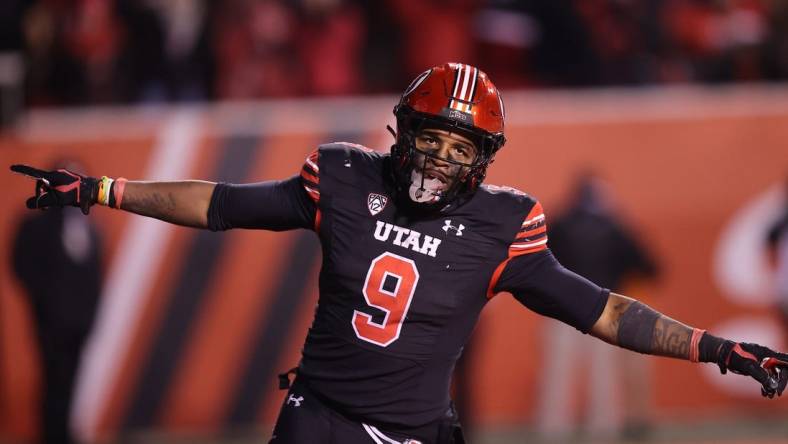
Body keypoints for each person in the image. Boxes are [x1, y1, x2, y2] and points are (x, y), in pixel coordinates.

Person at [10, 63, 788, 444]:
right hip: (318, 419)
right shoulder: (343, 178)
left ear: (484, 159)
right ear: (402, 132)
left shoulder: (505, 225)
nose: (440, 159)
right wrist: (104, 190)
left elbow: (605, 309)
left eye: (460, 147)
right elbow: (219, 203)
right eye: (431, 139)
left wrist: (713, 348)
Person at [538, 174, 659, 440]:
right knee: (604, 379)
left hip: (562, 308)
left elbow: (537, 263)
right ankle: (603, 431)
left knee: (557, 377)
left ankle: (553, 432)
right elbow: (650, 266)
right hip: (605, 308)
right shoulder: (614, 226)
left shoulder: (560, 222)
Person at [11, 162, 103, 444]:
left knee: (70, 381)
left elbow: (95, 274)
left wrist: (89, 315)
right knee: (52, 381)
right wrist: (43, 302)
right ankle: (52, 435)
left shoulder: (90, 227)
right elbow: (20, 264)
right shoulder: (35, 224)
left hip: (80, 323)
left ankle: (63, 433)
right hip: (50, 322)